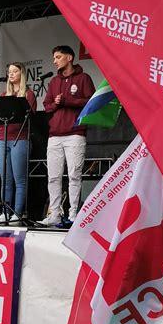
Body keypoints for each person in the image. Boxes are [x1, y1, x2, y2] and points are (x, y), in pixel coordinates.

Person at [39, 45, 95, 227]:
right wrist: (56, 103)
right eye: (54, 57)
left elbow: (91, 102)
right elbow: (47, 105)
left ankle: (73, 215)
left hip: (75, 134)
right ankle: (55, 214)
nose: (55, 61)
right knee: (53, 177)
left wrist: (67, 101)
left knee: (74, 176)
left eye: (58, 57)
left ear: (69, 57)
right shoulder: (54, 82)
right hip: (54, 135)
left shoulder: (83, 78)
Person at [0, 62, 36, 225]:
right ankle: (4, 212)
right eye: (9, 72)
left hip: (20, 138)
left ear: (21, 74)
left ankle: (17, 214)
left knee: (19, 179)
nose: (10, 74)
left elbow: (30, 118)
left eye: (14, 71)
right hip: (1, 138)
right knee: (5, 179)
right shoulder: (4, 94)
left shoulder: (28, 94)